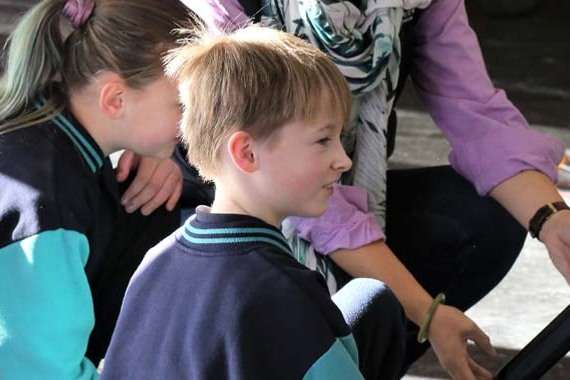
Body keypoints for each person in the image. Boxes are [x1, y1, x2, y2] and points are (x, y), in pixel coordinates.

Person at [180, 1, 570, 379]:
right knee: (357, 301)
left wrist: (551, 220)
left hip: (337, 195)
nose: (343, 159)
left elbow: (474, 111)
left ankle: (365, 358)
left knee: (479, 223)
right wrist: (425, 312)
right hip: (227, 207)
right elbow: (275, 176)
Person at [101, 26, 408, 380]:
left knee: (370, 301)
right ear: (246, 152)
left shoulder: (156, 260)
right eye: (323, 140)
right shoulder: (281, 291)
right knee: (375, 303)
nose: (344, 160)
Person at [0, 0, 199, 378]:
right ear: (115, 99)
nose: (191, 122)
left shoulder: (50, 137)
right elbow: (44, 372)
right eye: (181, 104)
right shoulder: (48, 205)